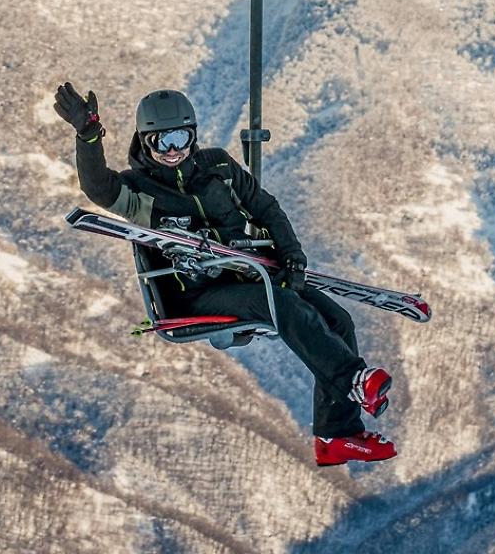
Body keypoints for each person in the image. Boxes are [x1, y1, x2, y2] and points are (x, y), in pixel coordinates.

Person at [54, 82, 397, 466]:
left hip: (251, 272)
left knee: (338, 319)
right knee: (278, 301)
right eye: (162, 142)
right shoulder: (140, 190)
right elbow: (98, 188)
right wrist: (88, 136)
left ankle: (337, 435)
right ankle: (354, 378)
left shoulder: (218, 167)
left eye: (181, 138)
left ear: (194, 135)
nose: (173, 151)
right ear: (145, 142)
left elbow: (265, 207)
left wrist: (291, 256)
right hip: (197, 291)